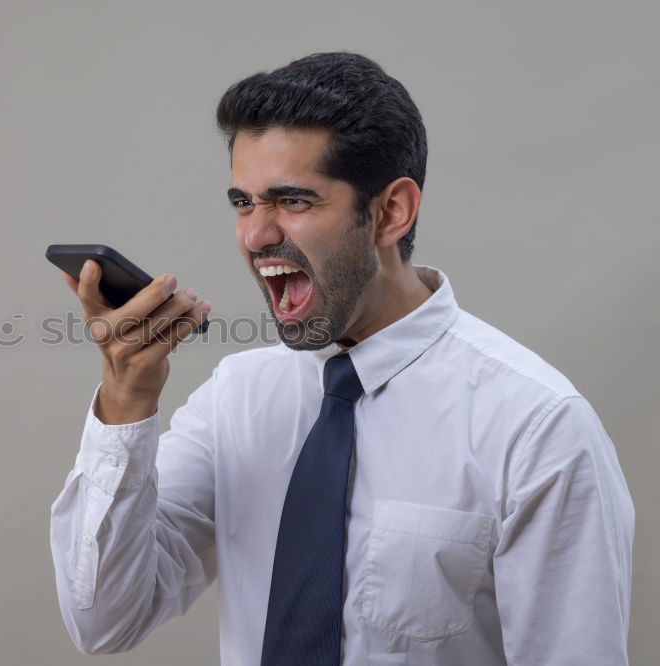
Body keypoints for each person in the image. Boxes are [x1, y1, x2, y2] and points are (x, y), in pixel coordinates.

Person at [48, 52, 635, 665]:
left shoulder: (536, 426)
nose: (255, 236)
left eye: (293, 201)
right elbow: (105, 620)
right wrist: (126, 401)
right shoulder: (237, 397)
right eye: (243, 203)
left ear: (390, 212)